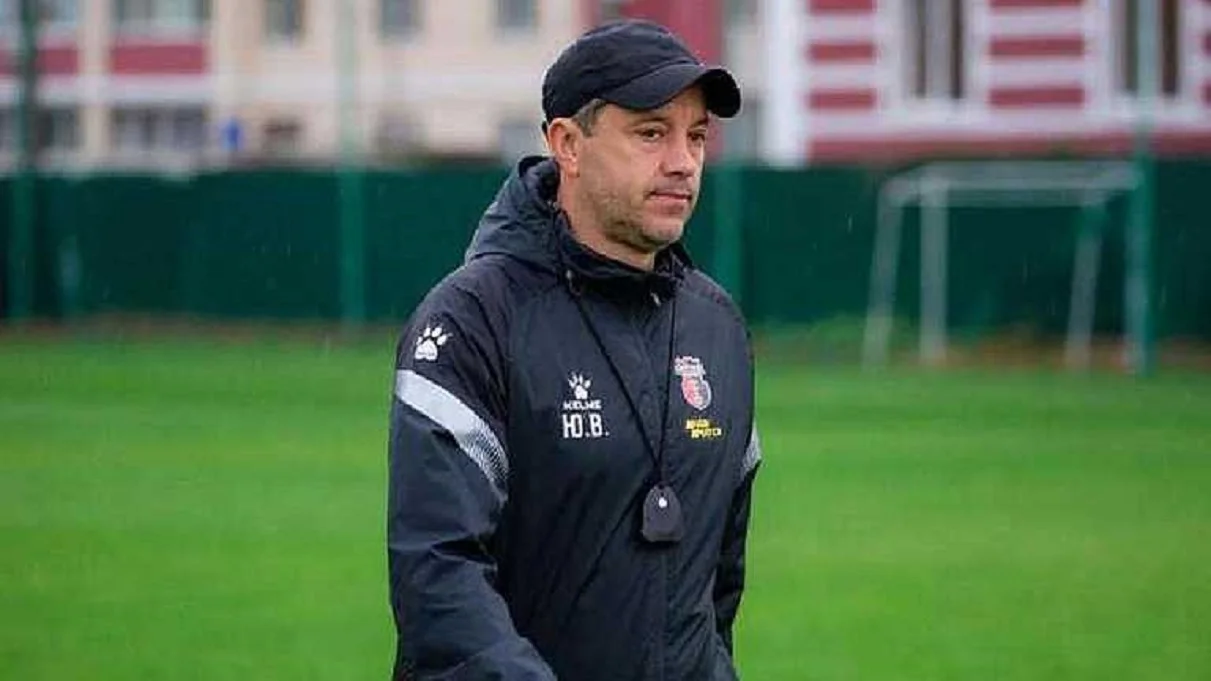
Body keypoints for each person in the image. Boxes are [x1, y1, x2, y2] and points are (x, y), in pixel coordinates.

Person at [387, 19, 762, 681]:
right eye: (651, 133)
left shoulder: (717, 328)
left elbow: (716, 586)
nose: (683, 161)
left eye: (697, 136)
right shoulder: (473, 319)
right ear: (567, 144)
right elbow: (438, 575)